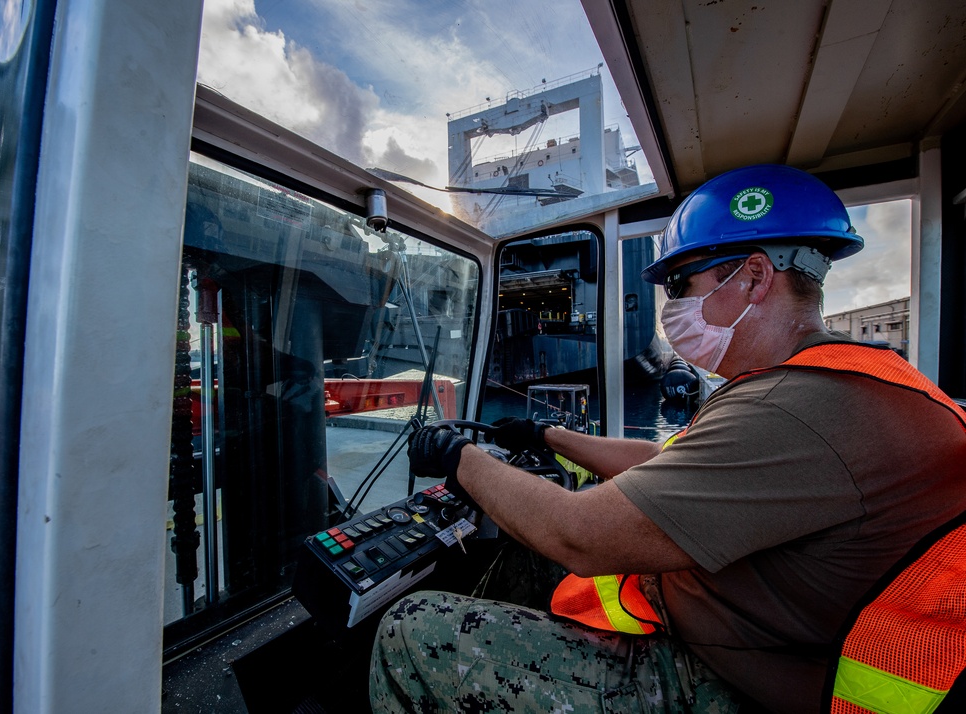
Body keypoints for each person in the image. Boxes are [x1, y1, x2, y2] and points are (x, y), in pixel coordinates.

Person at [368, 164, 966, 714]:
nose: (673, 306)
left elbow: (577, 536)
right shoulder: (843, 382)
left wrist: (461, 458)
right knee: (521, 554)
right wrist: (547, 434)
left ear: (755, 275)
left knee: (411, 628)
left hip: (732, 685)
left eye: (682, 283)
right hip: (763, 642)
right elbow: (668, 462)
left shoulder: (799, 410)